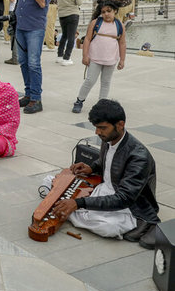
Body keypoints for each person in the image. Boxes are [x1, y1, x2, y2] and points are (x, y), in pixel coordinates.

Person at [52, 99, 159, 248]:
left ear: (120, 125)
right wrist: (92, 168)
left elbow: (123, 198)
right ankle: (71, 210)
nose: (97, 132)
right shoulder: (109, 138)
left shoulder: (138, 156)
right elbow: (106, 162)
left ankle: (69, 210)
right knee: (49, 181)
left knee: (108, 227)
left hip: (129, 206)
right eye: (96, 127)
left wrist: (78, 203)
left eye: (102, 128)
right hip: (104, 189)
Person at [3, 0, 56, 114]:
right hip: (21, 26)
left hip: (35, 27)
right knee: (24, 62)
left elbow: (42, 2)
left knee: (34, 63)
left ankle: (36, 98)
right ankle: (28, 94)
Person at [72, 0, 126, 114]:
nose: (106, 14)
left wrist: (122, 59)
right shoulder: (96, 22)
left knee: (106, 82)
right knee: (90, 80)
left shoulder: (119, 25)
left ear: (115, 11)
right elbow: (87, 39)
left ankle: (102, 105)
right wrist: (85, 55)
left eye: (109, 11)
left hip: (111, 59)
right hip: (95, 58)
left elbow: (122, 43)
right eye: (103, 12)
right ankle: (79, 101)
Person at [55, 0, 84, 66]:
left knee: (64, 35)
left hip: (62, 13)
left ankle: (59, 56)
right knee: (71, 37)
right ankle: (66, 58)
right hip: (72, 13)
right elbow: (79, 2)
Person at [3, 0, 21, 65]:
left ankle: (15, 58)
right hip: (18, 10)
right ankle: (16, 57)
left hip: (13, 10)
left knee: (14, 35)